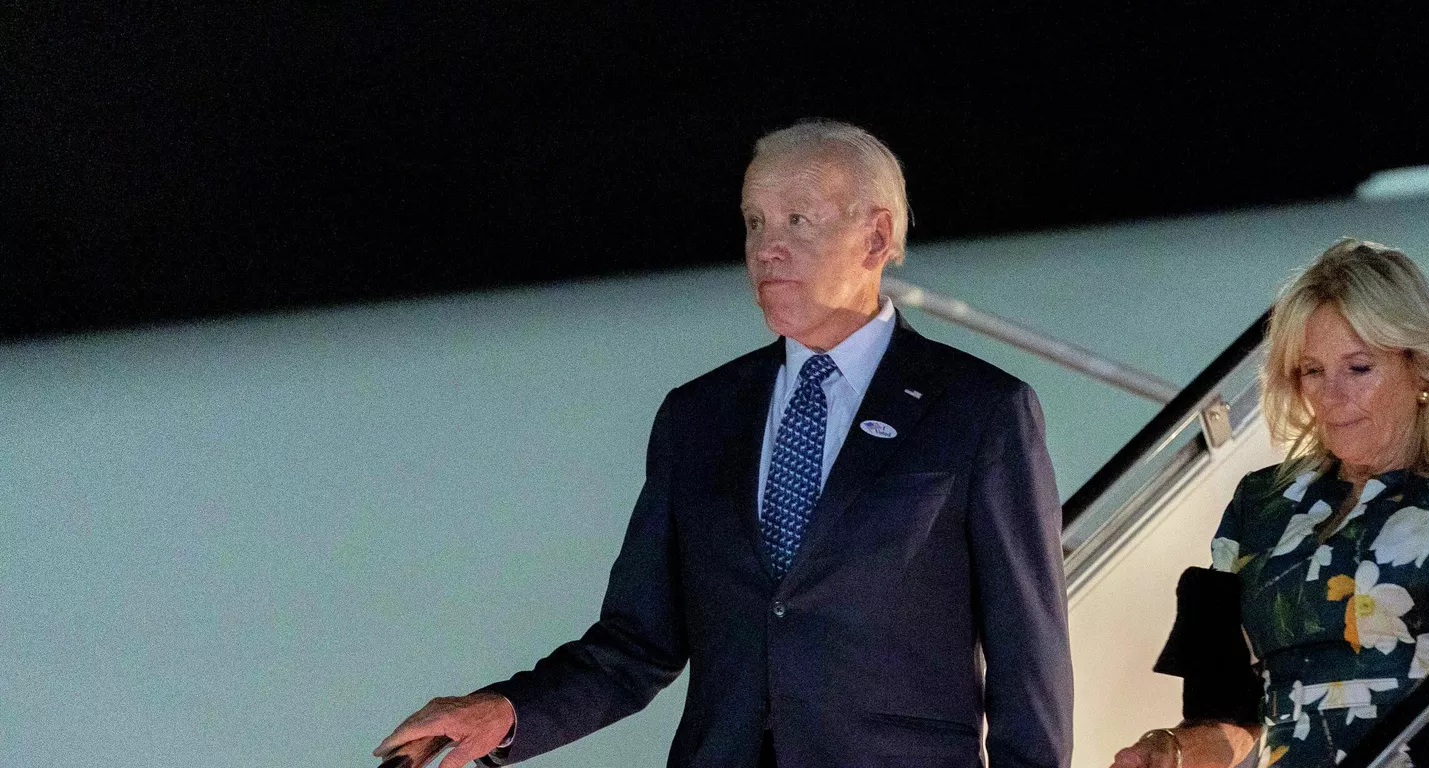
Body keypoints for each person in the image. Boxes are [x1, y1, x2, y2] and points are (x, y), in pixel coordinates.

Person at [374, 119, 1073, 768]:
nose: (767, 246)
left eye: (798, 219)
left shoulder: (979, 412)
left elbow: (1028, 660)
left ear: (876, 237)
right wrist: (509, 712)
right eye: (754, 222)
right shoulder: (700, 417)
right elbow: (637, 643)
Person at [1110, 239, 1429, 768]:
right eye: (1312, 371)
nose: (1332, 395)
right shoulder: (1257, 502)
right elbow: (1228, 716)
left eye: (1359, 368)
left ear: (1419, 367)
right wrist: (1170, 751)